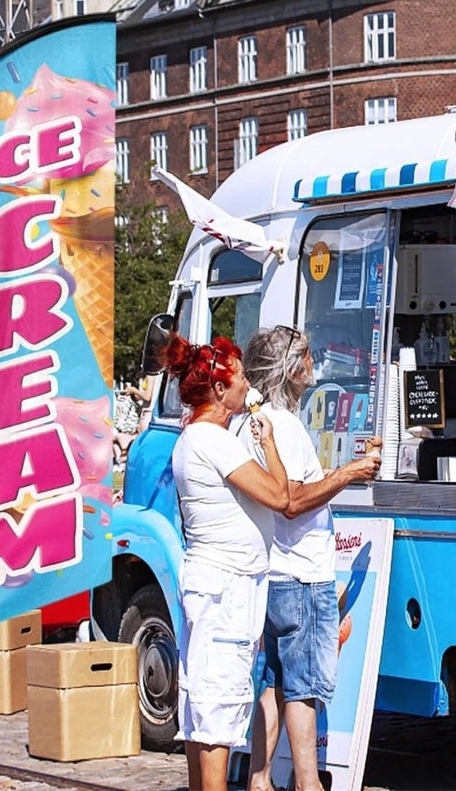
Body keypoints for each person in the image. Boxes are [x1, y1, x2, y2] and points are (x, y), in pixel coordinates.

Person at [233, 325, 381, 791]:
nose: (314, 364)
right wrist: (351, 472)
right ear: (289, 368)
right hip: (301, 574)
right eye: (307, 356)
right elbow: (294, 500)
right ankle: (307, 782)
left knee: (273, 684)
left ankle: (259, 779)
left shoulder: (247, 425)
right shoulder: (286, 426)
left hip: (272, 573)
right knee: (304, 688)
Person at [162, 332, 290, 791]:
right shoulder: (212, 441)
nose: (245, 385)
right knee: (219, 703)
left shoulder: (193, 437)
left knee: (203, 702)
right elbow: (280, 495)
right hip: (227, 584)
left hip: (213, 580)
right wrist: (270, 444)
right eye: (238, 377)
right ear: (219, 389)